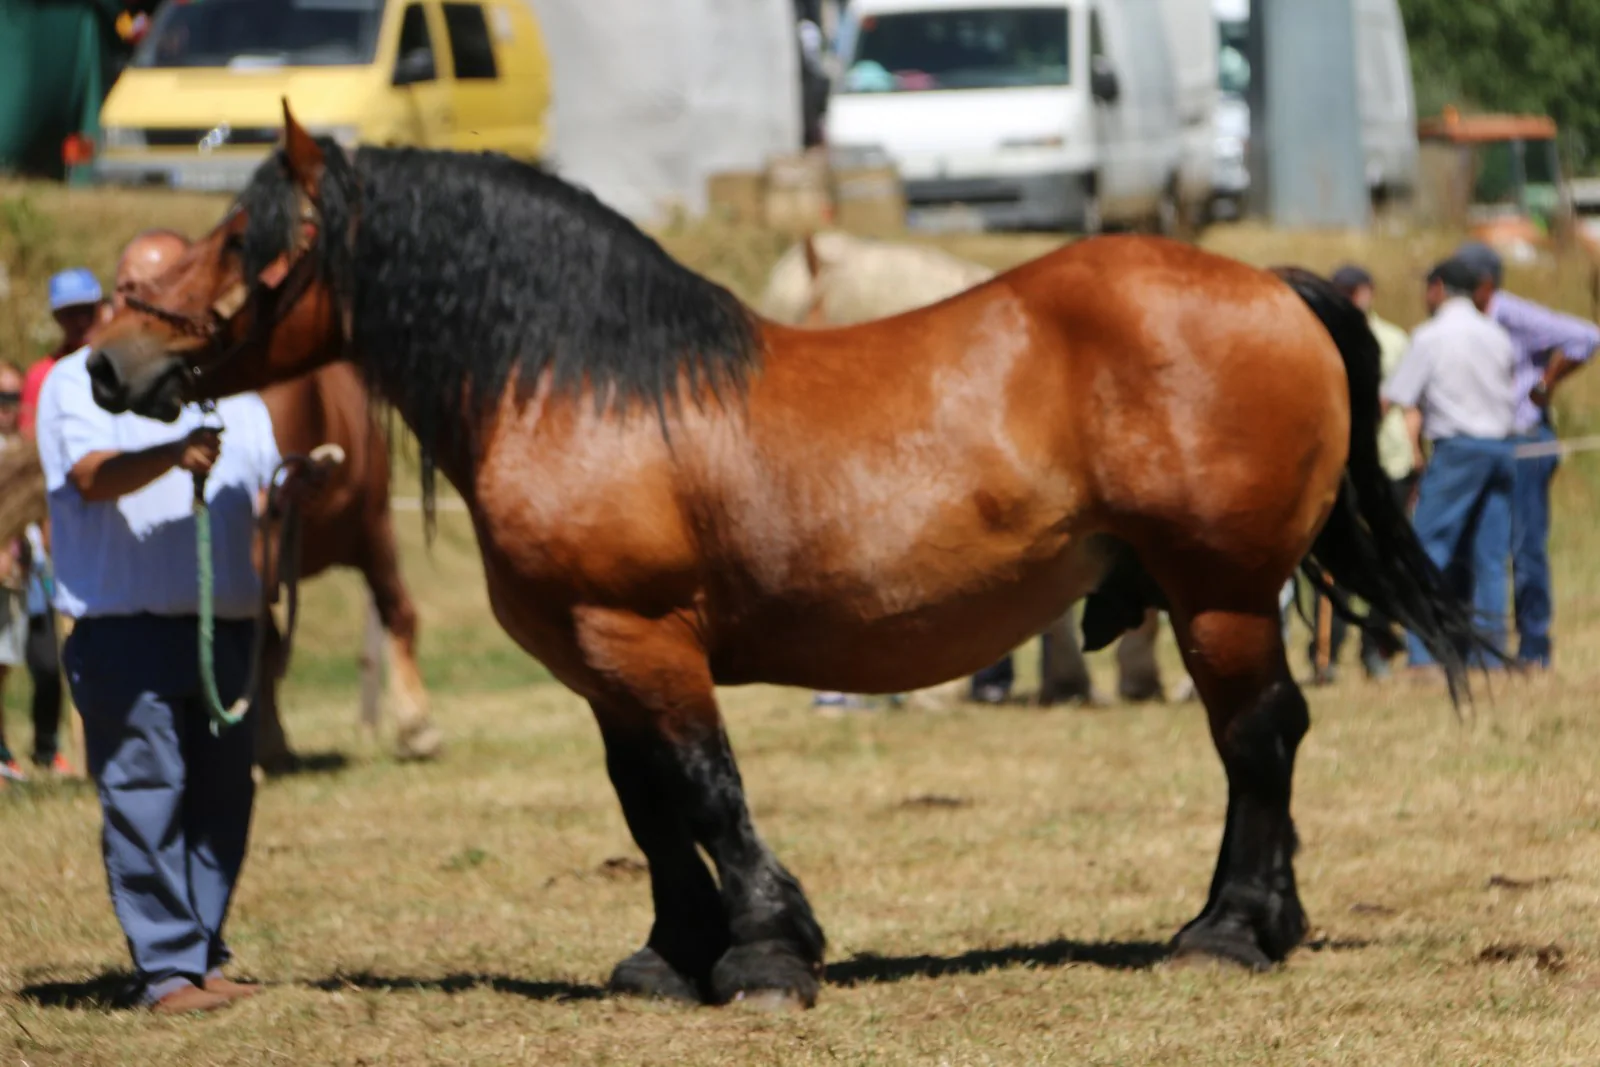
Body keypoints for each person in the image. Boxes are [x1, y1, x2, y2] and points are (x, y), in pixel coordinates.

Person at [35, 229, 292, 1015]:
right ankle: (167, 971)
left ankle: (203, 949)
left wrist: (292, 493)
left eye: (166, 292)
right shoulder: (79, 382)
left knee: (223, 800)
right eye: (135, 292)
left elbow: (258, 490)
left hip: (225, 630)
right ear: (118, 297)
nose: (145, 305)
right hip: (126, 627)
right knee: (148, 792)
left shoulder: (236, 392)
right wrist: (173, 453)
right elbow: (90, 476)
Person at [1451, 241, 1600, 668]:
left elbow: (1587, 336)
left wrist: (1545, 384)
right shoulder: (1464, 322)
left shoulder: (1510, 313)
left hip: (1526, 439)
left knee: (1526, 547)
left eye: (1462, 284)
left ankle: (1535, 646)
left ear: (1484, 285)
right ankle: (1484, 646)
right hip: (1488, 442)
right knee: (1484, 545)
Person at [1381, 258, 1517, 671]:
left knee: (1426, 547)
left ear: (1438, 288)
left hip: (1458, 449)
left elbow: (1398, 395)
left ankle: (1423, 653)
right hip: (1501, 448)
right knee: (1489, 557)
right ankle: (1490, 654)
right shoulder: (1495, 333)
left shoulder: (1431, 335)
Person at [1306, 264, 1416, 683]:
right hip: (1339, 462)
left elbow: (1406, 402)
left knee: (1387, 557)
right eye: (1344, 291)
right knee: (1336, 559)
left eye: (1358, 290)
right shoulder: (1318, 336)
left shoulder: (1394, 339)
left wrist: (1414, 451)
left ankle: (1377, 648)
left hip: (1387, 458)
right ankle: (1325, 654)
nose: (1353, 297)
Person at [0, 362, 32, 782]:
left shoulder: (21, 448)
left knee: (5, 666)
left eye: (13, 397)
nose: (7, 407)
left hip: (19, 575)